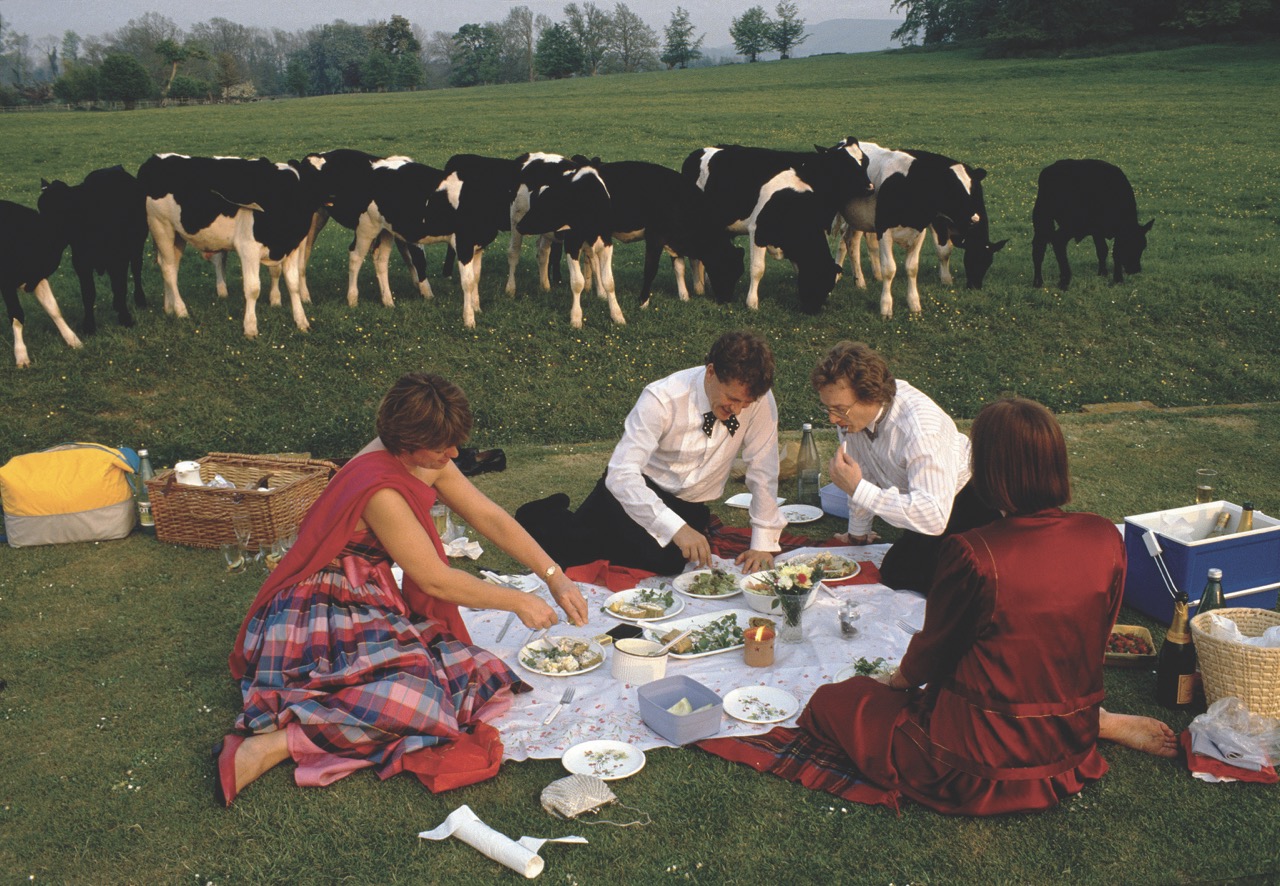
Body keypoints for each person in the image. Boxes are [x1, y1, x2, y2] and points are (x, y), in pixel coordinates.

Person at [214, 372, 589, 806]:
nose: (453, 454)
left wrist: (553, 575)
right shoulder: (381, 487)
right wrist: (518, 600)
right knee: (418, 704)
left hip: (365, 593)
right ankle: (273, 744)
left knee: (473, 676)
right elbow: (432, 578)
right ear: (404, 444)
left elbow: (490, 517)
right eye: (441, 448)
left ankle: (316, 724)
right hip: (321, 606)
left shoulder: (422, 455)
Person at [795, 397, 1177, 815]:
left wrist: (896, 682)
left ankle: (1093, 720)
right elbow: (1095, 636)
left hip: (976, 759)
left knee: (836, 701)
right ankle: (1094, 720)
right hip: (1067, 735)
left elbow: (932, 652)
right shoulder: (1104, 535)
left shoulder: (974, 553)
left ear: (989, 470)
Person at [516, 330, 786, 576]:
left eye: (746, 403)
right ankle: (542, 512)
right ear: (711, 372)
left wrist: (764, 542)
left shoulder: (759, 401)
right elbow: (621, 474)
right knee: (574, 557)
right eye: (732, 399)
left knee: (667, 564)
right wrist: (676, 529)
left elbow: (763, 467)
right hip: (631, 494)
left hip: (688, 505)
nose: (738, 410)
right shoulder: (662, 398)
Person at [812, 340, 1001, 591]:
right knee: (896, 572)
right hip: (919, 498)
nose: (833, 418)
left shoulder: (920, 428)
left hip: (967, 500)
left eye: (840, 409)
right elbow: (862, 469)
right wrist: (858, 533)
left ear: (870, 396)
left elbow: (933, 517)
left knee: (942, 584)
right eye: (828, 408)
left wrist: (858, 489)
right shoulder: (851, 418)